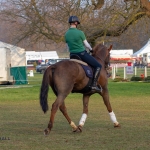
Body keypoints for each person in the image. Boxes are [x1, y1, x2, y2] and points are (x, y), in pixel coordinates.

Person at [65, 16, 102, 92]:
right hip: (81, 54)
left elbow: (68, 45)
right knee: (98, 66)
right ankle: (94, 85)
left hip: (72, 55)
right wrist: (91, 50)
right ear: (76, 23)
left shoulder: (66, 34)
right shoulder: (80, 33)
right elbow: (86, 44)